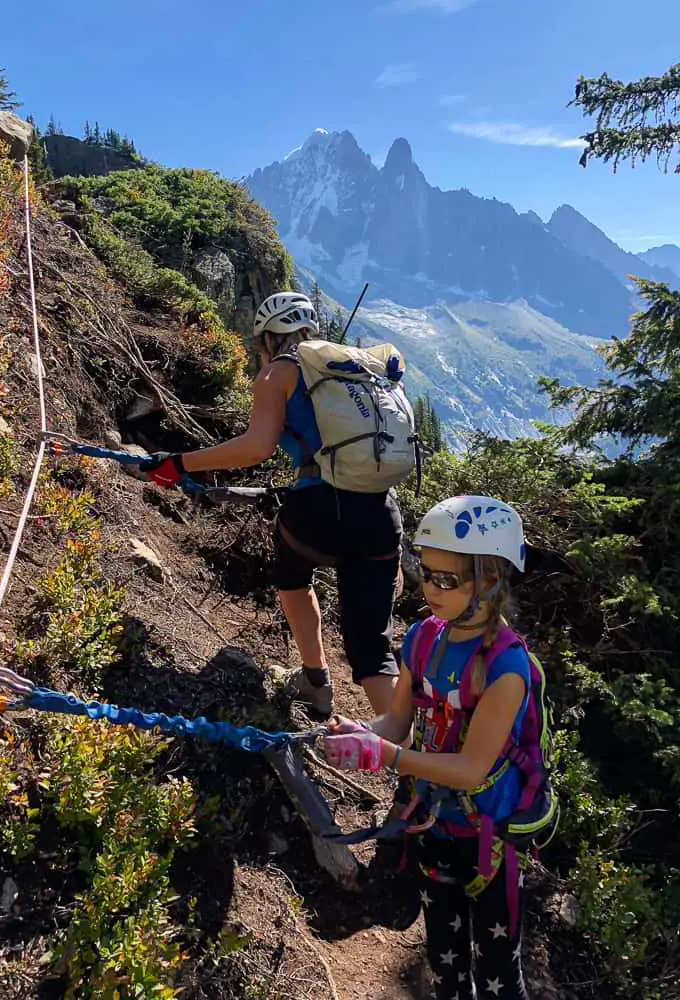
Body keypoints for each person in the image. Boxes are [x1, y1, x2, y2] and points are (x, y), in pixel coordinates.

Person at [137, 291, 404, 717]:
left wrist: (181, 464)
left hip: (319, 511)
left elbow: (257, 447)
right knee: (373, 650)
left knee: (293, 575)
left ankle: (316, 681)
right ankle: (411, 766)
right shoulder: (358, 369)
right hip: (381, 514)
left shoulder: (279, 372)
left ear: (266, 338)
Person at [324, 495, 545, 1000]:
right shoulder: (423, 638)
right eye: (427, 572)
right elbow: (398, 719)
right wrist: (360, 730)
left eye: (448, 579)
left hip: (489, 839)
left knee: (498, 977)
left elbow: (470, 768)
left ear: (491, 579)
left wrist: (388, 756)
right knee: (444, 964)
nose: (430, 587)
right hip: (433, 826)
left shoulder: (506, 669)